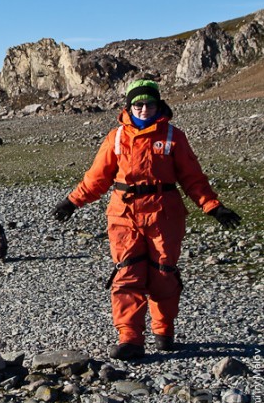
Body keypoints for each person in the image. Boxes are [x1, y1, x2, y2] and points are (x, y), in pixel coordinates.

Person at [52, 79, 241, 360]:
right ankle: (130, 339)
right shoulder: (116, 138)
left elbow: (192, 178)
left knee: (164, 274)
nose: (143, 109)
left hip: (164, 215)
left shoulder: (174, 136)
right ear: (129, 107)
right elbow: (96, 178)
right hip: (124, 215)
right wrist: (72, 202)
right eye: (138, 104)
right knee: (127, 274)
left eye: (149, 104)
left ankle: (163, 331)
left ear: (158, 105)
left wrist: (213, 207)